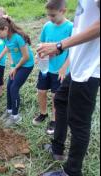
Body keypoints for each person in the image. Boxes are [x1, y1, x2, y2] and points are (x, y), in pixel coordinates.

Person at [37, 0, 100, 175]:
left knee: (79, 121)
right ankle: (57, 149)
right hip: (79, 63)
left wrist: (60, 45)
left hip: (90, 68)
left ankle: (72, 171)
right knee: (60, 99)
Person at [33, 0, 73, 135]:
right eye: (48, 15)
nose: (50, 18)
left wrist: (64, 68)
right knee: (41, 91)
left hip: (60, 70)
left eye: (53, 15)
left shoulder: (70, 27)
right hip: (46, 67)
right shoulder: (47, 26)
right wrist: (38, 55)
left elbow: (73, 51)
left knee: (56, 96)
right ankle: (43, 113)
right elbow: (41, 43)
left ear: (63, 11)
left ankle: (55, 120)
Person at [0, 16, 34, 127]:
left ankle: (16, 116)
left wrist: (15, 67)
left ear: (6, 29)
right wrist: (12, 66)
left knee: (14, 87)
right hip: (17, 65)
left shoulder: (18, 38)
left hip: (26, 65)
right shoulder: (6, 38)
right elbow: (8, 48)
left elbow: (26, 56)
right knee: (9, 85)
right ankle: (9, 111)